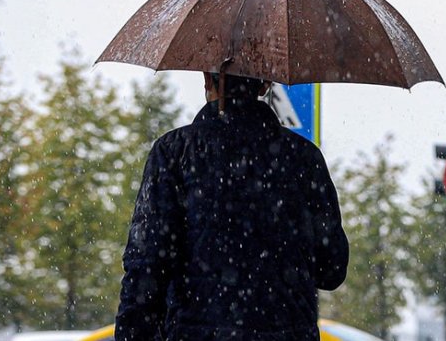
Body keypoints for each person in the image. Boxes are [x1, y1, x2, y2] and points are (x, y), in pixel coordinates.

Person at [115, 72, 349, 341]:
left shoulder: (174, 153)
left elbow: (146, 265)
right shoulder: (303, 159)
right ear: (266, 83)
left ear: (207, 79)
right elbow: (332, 270)